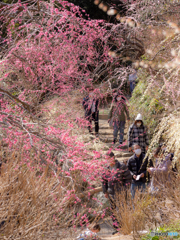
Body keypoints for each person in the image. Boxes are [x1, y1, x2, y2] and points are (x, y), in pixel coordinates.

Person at [102, 151, 132, 235]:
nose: (108, 161)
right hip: (111, 194)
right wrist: (105, 191)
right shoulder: (106, 168)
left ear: (113, 158)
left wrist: (125, 189)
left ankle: (124, 227)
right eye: (106, 159)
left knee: (122, 211)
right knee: (114, 212)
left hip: (121, 192)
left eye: (109, 159)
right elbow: (103, 181)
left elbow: (128, 179)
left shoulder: (121, 166)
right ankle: (117, 228)